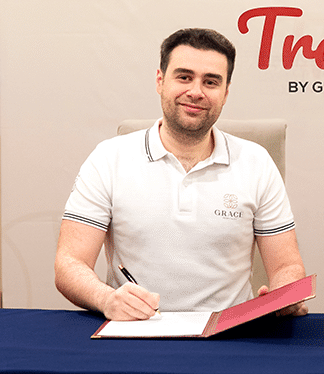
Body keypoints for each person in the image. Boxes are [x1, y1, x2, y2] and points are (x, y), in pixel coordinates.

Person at [55, 28, 307, 320]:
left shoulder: (256, 162)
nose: (196, 92)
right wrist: (106, 299)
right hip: (137, 329)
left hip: (230, 332)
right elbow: (69, 263)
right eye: (184, 77)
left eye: (210, 82)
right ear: (160, 81)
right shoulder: (108, 158)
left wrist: (284, 295)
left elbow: (286, 266)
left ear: (225, 93)